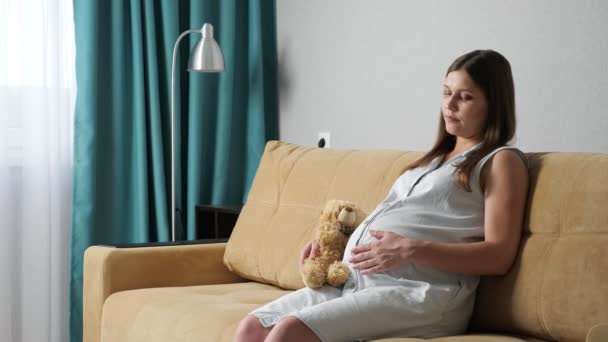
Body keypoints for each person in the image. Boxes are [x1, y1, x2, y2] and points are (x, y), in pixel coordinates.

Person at [233, 49, 529, 342]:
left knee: (289, 333)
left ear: (494, 104)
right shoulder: (431, 161)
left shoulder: (500, 161)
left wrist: (412, 249)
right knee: (251, 327)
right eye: (446, 92)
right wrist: (335, 251)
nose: (449, 105)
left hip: (419, 292)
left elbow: (499, 255)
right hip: (356, 280)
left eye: (465, 97)